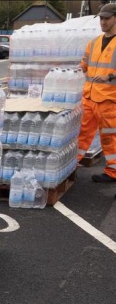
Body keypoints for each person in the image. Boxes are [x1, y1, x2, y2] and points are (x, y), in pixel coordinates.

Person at [79, 3, 116, 183]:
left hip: (109, 100)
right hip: (89, 97)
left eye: (107, 18)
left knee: (110, 138)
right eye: (101, 18)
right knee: (81, 134)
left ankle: (113, 172)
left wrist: (110, 76)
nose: (103, 22)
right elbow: (84, 65)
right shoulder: (93, 43)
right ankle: (69, 166)